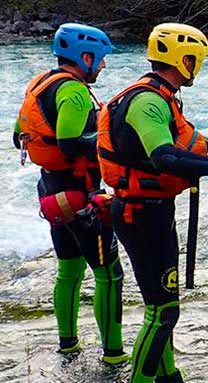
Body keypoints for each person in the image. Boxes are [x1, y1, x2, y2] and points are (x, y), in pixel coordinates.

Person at [97, 23, 208, 383]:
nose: (198, 68)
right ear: (183, 59)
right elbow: (164, 157)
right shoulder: (147, 101)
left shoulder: (162, 97)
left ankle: (167, 375)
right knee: (164, 311)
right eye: (196, 60)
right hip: (140, 214)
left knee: (162, 305)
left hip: (151, 210)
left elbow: (184, 146)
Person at [13, 23, 128, 364]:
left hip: (50, 190)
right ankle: (113, 355)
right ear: (85, 57)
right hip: (81, 196)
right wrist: (112, 138)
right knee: (109, 274)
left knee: (68, 270)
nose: (103, 66)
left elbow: (17, 134)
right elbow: (68, 143)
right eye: (101, 59)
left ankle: (68, 345)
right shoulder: (75, 93)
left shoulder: (39, 83)